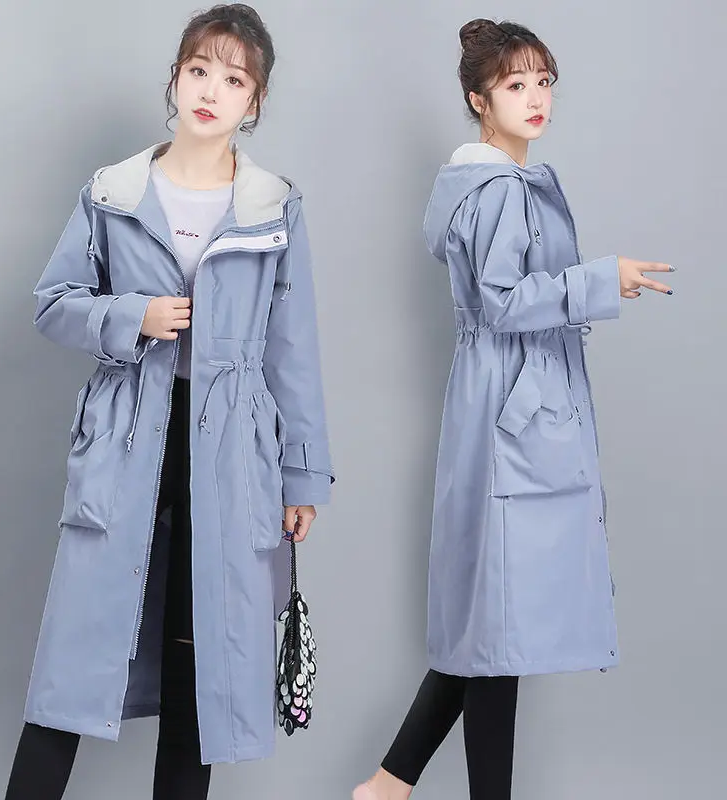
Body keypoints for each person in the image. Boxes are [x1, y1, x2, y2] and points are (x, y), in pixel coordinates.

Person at [3, 5, 334, 798]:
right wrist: (132, 317)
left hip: (231, 455)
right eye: (199, 70)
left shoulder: (273, 206)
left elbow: (292, 350)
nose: (212, 90)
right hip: (127, 439)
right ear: (176, 79)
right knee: (74, 664)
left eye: (234, 79)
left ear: (254, 100)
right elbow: (53, 304)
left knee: (200, 665)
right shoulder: (114, 192)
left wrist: (302, 476)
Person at [354, 18, 672, 800]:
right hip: (509, 411)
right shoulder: (498, 188)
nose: (535, 98)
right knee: (497, 630)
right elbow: (500, 303)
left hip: (503, 405)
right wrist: (600, 280)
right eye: (515, 85)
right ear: (479, 99)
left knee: (494, 627)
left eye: (543, 82)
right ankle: (391, 785)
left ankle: (388, 785)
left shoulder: (506, 182)